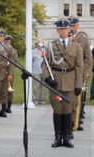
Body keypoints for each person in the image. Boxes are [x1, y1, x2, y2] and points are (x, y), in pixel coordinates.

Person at [43, 18, 82, 148]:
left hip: (70, 81)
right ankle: (57, 137)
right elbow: (46, 63)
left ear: (69, 29)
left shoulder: (76, 46)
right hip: (56, 81)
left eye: (65, 28)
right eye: (60, 28)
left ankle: (67, 137)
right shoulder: (51, 46)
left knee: (68, 110)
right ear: (57, 30)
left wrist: (78, 85)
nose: (63, 31)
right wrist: (48, 78)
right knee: (57, 110)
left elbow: (79, 67)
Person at [68, 16, 93, 131]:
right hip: (68, 75)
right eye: (70, 25)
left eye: (74, 25)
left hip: (81, 74)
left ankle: (77, 119)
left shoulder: (83, 39)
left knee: (80, 98)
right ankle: (71, 120)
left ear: (77, 26)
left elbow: (88, 59)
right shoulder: (65, 39)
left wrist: (86, 73)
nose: (72, 27)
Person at [4, 34, 18, 112]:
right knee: (2, 90)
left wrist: (11, 72)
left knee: (9, 90)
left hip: (10, 71)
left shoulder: (13, 51)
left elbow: (14, 62)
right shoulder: (1, 49)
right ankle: (2, 105)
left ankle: (9, 106)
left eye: (8, 41)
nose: (6, 43)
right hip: (2, 71)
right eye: (5, 41)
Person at [32, 40, 47, 105]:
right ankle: (36, 99)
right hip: (36, 70)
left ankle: (43, 99)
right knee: (36, 85)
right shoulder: (33, 52)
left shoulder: (46, 51)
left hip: (45, 71)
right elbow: (31, 61)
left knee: (44, 86)